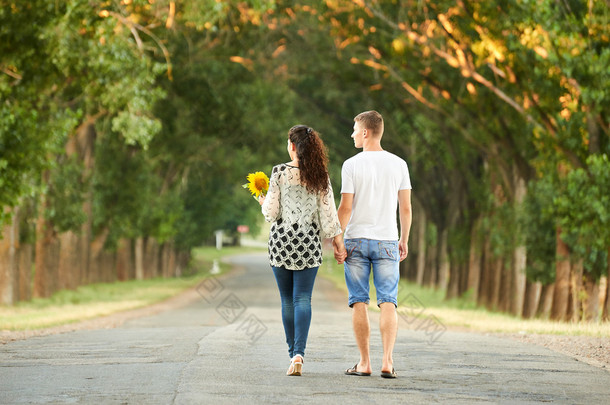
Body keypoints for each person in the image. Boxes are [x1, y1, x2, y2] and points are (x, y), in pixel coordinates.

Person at [260, 124, 346, 376]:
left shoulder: (278, 173)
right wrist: (338, 243)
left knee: (287, 300)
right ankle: (299, 353)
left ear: (293, 146)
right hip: (308, 243)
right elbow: (329, 217)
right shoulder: (321, 176)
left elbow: (271, 214)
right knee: (303, 299)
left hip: (281, 243)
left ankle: (291, 355)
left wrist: (262, 200)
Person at [335, 110, 412, 379]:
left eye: (355, 129)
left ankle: (364, 362)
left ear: (366, 132)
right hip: (388, 240)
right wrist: (404, 239)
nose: (352, 134)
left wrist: (337, 238)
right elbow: (406, 208)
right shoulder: (399, 164)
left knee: (359, 302)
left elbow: (345, 207)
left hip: (356, 241)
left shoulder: (351, 165)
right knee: (388, 301)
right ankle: (387, 362)